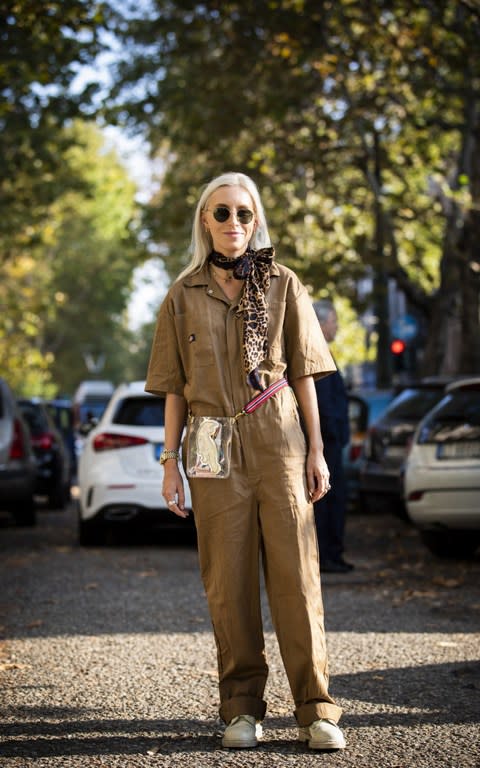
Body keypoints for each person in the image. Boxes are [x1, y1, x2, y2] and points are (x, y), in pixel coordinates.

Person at [145, 172, 346, 751]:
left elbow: (305, 372)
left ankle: (316, 710)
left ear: (256, 219)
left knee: (297, 580)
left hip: (278, 438)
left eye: (243, 213)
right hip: (210, 443)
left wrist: (317, 449)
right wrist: (168, 463)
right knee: (227, 584)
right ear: (205, 223)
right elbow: (174, 389)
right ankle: (240, 709)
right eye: (221, 213)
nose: (233, 223)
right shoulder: (182, 296)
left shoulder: (284, 283)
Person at [313, 300, 354, 574]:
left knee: (333, 500)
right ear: (321, 323)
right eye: (334, 321)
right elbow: (324, 404)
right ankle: (328, 556)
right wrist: (332, 437)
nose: (336, 326)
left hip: (329, 441)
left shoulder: (322, 351)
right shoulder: (316, 353)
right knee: (329, 500)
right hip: (327, 444)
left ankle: (331, 554)